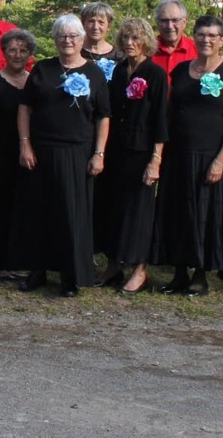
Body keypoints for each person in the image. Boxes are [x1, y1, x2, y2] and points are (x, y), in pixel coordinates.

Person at [13, 14, 111, 297]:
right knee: (39, 212)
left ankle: (71, 274)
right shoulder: (43, 69)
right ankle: (38, 270)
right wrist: (25, 144)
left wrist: (99, 153)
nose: (67, 41)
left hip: (78, 153)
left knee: (72, 215)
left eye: (72, 36)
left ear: (82, 39)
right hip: (41, 151)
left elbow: (104, 116)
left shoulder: (94, 73)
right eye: (61, 36)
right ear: (54, 39)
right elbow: (25, 109)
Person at [153, 15, 223, 298]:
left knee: (205, 216)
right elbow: (169, 113)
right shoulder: (181, 71)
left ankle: (200, 275)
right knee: (178, 214)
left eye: (213, 36)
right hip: (178, 156)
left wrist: (220, 161)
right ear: (194, 36)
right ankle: (179, 273)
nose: (206, 40)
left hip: (209, 158)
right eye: (201, 35)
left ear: (221, 41)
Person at [95, 17, 168, 295]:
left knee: (138, 213)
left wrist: (155, 159)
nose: (129, 43)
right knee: (113, 209)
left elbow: (161, 119)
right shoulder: (116, 71)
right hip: (115, 150)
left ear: (146, 41)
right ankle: (113, 265)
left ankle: (140, 269)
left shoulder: (155, 74)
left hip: (142, 152)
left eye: (135, 38)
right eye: (125, 38)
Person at [0, 28, 34, 279]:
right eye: (12, 50)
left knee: (24, 207)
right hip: (0, 151)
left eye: (23, 50)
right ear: (3, 52)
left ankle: (20, 259)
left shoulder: (35, 81)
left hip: (28, 154)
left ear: (30, 54)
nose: (17, 54)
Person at [151, 0, 197, 87]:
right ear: (157, 23)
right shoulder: (146, 50)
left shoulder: (197, 50)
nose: (170, 26)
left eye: (175, 20)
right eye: (164, 20)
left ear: (184, 22)